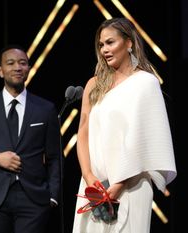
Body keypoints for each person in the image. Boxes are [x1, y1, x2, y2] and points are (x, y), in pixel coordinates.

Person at [72, 17, 177, 233]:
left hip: (131, 186)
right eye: (101, 45)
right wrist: (88, 176)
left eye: (110, 42)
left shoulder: (146, 83)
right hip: (94, 186)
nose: (104, 50)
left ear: (129, 43)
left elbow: (147, 140)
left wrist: (118, 184)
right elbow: (83, 132)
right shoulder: (94, 84)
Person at [0, 45, 61, 233]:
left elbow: (55, 157)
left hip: (34, 200)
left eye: (23, 63)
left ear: (29, 69)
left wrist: (53, 195)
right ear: (0, 71)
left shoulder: (45, 109)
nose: (17, 67)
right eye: (11, 63)